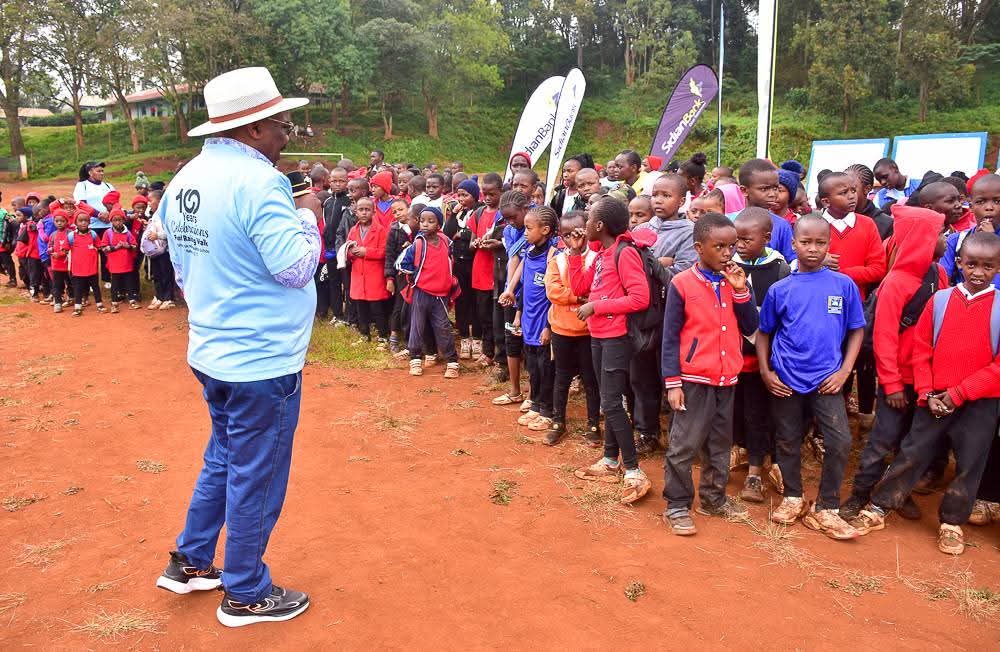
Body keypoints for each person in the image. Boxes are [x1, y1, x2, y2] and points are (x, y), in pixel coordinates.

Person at [156, 67, 319, 626]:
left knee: (224, 458)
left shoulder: (186, 178)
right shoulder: (259, 183)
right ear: (252, 129)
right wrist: (310, 218)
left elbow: (172, 258)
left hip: (212, 349)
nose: (287, 133)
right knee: (258, 472)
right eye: (281, 123)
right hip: (261, 361)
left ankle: (194, 561)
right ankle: (246, 591)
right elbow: (296, 268)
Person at [851, 232, 1000, 555]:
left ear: (997, 268)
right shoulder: (941, 300)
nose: (978, 272)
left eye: (988, 266)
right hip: (934, 397)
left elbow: (998, 367)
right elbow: (922, 349)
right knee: (913, 452)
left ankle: (952, 521)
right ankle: (880, 506)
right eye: (971, 264)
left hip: (979, 402)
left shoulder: (999, 307)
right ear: (959, 263)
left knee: (970, 461)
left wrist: (959, 393)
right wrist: (926, 390)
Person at [756, 214, 865, 540]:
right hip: (786, 378)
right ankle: (793, 496)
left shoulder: (843, 285)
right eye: (806, 242)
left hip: (827, 379)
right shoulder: (781, 289)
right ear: (793, 244)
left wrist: (845, 372)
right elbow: (764, 333)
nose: (813, 249)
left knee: (840, 440)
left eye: (820, 242)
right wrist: (765, 371)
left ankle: (827, 507)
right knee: (787, 439)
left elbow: (857, 330)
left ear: (829, 245)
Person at [840, 203, 948, 521]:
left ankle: (895, 493)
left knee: (912, 443)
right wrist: (891, 383)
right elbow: (885, 340)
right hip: (898, 381)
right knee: (881, 441)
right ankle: (859, 495)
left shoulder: (938, 273)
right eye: (938, 233)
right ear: (920, 239)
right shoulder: (895, 283)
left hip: (927, 379)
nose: (944, 239)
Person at [660, 212, 758, 535]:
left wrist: (742, 291)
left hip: (726, 379)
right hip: (693, 380)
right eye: (719, 247)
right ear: (699, 248)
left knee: (720, 444)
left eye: (732, 246)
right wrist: (673, 383)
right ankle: (676, 504)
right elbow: (670, 336)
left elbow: (751, 327)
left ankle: (713, 498)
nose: (728, 254)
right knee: (684, 445)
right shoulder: (682, 283)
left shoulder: (738, 281)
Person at [569, 197, 652, 505]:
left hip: (617, 337)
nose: (584, 225)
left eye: (589, 220)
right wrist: (577, 254)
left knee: (611, 402)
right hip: (599, 335)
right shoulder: (602, 254)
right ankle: (610, 461)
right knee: (609, 400)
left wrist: (597, 306)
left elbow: (640, 298)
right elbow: (579, 286)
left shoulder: (624, 253)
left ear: (600, 226)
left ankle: (632, 470)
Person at [817, 171, 887, 427]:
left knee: (852, 358)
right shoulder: (813, 227)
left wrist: (843, 273)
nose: (851, 196)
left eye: (852, 191)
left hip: (854, 309)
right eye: (843, 192)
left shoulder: (867, 225)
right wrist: (817, 261)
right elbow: (796, 263)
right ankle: (819, 418)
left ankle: (843, 411)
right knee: (825, 358)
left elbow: (879, 268)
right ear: (825, 201)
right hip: (819, 311)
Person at [731, 208, 790, 502]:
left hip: (760, 359)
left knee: (757, 413)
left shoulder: (780, 268)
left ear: (766, 238)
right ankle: (737, 449)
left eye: (746, 239)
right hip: (730, 357)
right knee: (733, 410)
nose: (739, 244)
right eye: (736, 238)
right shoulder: (727, 265)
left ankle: (755, 471)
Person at [544, 210, 600, 446]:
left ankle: (593, 424)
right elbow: (553, 291)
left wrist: (582, 296)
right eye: (565, 235)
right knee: (562, 377)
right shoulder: (556, 259)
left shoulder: (596, 258)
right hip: (562, 329)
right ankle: (559, 422)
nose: (571, 239)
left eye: (576, 233)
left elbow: (596, 290)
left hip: (589, 331)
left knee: (591, 379)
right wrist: (578, 299)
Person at [397, 206, 460, 379]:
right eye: (422, 221)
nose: (425, 224)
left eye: (431, 221)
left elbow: (450, 260)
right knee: (417, 326)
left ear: (439, 224)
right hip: (422, 292)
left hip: (441, 293)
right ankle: (415, 359)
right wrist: (415, 276)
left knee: (443, 327)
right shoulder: (418, 243)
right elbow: (401, 263)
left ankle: (452, 361)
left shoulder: (446, 241)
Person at [510, 206, 559, 431]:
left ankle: (548, 411)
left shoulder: (554, 257)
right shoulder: (529, 252)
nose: (526, 232)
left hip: (543, 325)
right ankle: (536, 406)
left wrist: (549, 326)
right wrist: (518, 315)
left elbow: (553, 297)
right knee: (533, 367)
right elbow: (525, 287)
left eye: (529, 228)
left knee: (546, 368)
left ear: (545, 230)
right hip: (528, 323)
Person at [492, 191, 530, 406]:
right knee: (511, 339)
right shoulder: (509, 230)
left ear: (526, 209)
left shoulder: (537, 227)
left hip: (533, 296)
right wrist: (509, 291)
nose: (510, 222)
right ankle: (515, 391)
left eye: (514, 217)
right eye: (506, 218)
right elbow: (514, 257)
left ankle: (534, 395)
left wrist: (513, 289)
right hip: (512, 293)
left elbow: (526, 260)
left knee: (531, 346)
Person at [468, 173, 503, 366]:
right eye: (485, 194)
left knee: (496, 315)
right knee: (483, 314)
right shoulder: (478, 213)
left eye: (492, 194)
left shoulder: (504, 214)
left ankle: (497, 353)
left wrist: (495, 245)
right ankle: (487, 351)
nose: (488, 197)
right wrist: (478, 243)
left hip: (497, 272)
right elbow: (471, 244)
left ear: (501, 192)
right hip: (480, 271)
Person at [941, 174, 1000, 288]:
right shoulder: (955, 241)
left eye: (997, 201)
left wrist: (991, 241)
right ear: (971, 207)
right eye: (980, 202)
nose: (989, 207)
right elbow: (943, 282)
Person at [444, 179, 481, 359]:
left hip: (474, 262)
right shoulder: (459, 213)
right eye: (459, 195)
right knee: (461, 299)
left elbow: (480, 232)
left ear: (474, 196)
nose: (461, 199)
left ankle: (477, 338)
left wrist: (463, 234)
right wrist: (452, 215)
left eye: (465, 195)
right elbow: (447, 232)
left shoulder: (479, 211)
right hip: (458, 262)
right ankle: (464, 337)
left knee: (475, 301)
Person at [347, 197, 390, 342]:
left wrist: (367, 252)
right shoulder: (353, 230)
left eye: (367, 210)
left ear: (373, 211)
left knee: (377, 308)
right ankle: (364, 335)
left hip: (374, 276)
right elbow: (347, 249)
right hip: (358, 275)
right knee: (361, 308)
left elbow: (385, 252)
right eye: (361, 210)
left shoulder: (380, 230)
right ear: (356, 212)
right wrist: (350, 253)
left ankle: (383, 336)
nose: (364, 213)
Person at [738, 159, 796, 262]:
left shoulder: (782, 226)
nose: (773, 194)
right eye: (764, 189)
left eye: (775, 188)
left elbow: (791, 262)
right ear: (744, 190)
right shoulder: (730, 222)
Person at [639, 174, 697, 274]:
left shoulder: (689, 233)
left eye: (666, 195)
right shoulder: (641, 228)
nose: (658, 200)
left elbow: (684, 271)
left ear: (681, 201)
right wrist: (660, 263)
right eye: (655, 195)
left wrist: (652, 265)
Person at [320, 167, 351, 322]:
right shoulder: (327, 202)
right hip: (330, 249)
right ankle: (338, 314)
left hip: (345, 250)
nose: (337, 184)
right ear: (329, 181)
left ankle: (350, 316)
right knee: (334, 282)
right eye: (334, 181)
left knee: (347, 283)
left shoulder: (350, 201)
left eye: (341, 181)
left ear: (347, 182)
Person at [385, 198, 413, 354]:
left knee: (412, 306)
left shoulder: (416, 227)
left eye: (400, 210)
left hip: (415, 275)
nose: (397, 214)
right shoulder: (394, 230)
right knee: (399, 305)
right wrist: (389, 278)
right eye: (394, 212)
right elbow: (389, 255)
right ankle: (394, 336)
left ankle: (411, 338)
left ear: (408, 208)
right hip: (400, 275)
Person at [100, 207, 139, 312]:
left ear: (124, 220)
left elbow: (135, 245)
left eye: (120, 220)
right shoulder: (108, 233)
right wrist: (115, 247)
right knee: (115, 284)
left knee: (129, 283)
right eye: (115, 220)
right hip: (114, 264)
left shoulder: (128, 233)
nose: (117, 222)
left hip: (127, 263)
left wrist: (128, 246)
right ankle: (114, 303)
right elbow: (103, 248)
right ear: (111, 221)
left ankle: (132, 301)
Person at [69, 209, 105, 316]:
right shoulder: (72, 236)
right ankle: (77, 307)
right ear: (76, 222)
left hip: (92, 268)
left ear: (89, 222)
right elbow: (66, 247)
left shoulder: (93, 234)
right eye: (80, 221)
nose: (83, 223)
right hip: (78, 269)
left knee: (95, 287)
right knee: (78, 288)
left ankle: (99, 304)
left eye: (86, 220)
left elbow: (99, 246)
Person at [143, 190, 176, 310]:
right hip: (155, 250)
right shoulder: (155, 215)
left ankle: (169, 299)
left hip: (165, 251)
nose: (149, 203)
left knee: (166, 274)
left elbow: (171, 233)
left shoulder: (168, 214)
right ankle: (159, 296)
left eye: (151, 200)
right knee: (156, 274)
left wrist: (158, 236)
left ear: (160, 200)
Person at [845, 164, 893, 239]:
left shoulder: (885, 224)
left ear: (867, 189)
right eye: (842, 189)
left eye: (852, 189)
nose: (846, 195)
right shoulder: (833, 218)